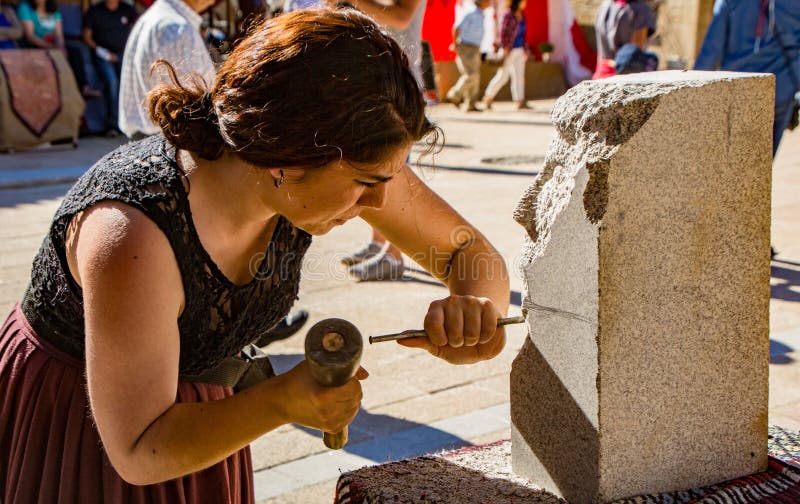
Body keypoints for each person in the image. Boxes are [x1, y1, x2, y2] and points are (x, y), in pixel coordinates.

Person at [0, 10, 510, 502]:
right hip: (85, 433)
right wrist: (283, 400)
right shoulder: (132, 235)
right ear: (286, 161)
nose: (378, 204)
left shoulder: (337, 161)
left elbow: (467, 254)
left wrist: (476, 311)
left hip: (204, 429)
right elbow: (138, 449)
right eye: (365, 184)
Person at [284, 0, 429, 281]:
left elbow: (400, 18)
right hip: (378, 86)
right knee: (376, 173)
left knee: (390, 178)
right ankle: (378, 245)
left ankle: (393, 257)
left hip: (401, 92)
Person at [694, 0, 799, 158]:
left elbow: (711, 51)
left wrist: (693, 94)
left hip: (737, 91)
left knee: (732, 160)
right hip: (779, 92)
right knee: (763, 163)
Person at [119, 0, 216, 140]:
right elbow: (188, 109)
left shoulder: (160, 17)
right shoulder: (176, 28)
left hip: (152, 138)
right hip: (169, 141)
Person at [82, 0, 138, 134]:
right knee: (112, 82)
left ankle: (128, 123)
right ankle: (113, 124)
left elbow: (139, 26)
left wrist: (132, 46)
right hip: (102, 54)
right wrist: (101, 51)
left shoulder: (127, 9)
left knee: (128, 84)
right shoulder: (95, 11)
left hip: (124, 53)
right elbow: (87, 36)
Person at [482, 0, 529, 110]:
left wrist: (525, 49)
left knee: (519, 76)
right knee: (503, 76)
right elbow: (503, 31)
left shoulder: (522, 14)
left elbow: (524, 34)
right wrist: (506, 48)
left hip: (520, 49)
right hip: (509, 50)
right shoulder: (508, 14)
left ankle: (520, 100)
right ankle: (488, 96)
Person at [592, 0, 656, 80]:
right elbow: (635, 53)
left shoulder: (606, 4)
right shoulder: (641, 9)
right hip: (623, 78)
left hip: (600, 75)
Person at [446, 0, 490, 112]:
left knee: (475, 75)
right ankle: (454, 94)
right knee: (472, 74)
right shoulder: (470, 12)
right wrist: (455, 44)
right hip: (466, 47)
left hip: (475, 48)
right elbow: (456, 28)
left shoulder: (481, 14)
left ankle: (471, 104)